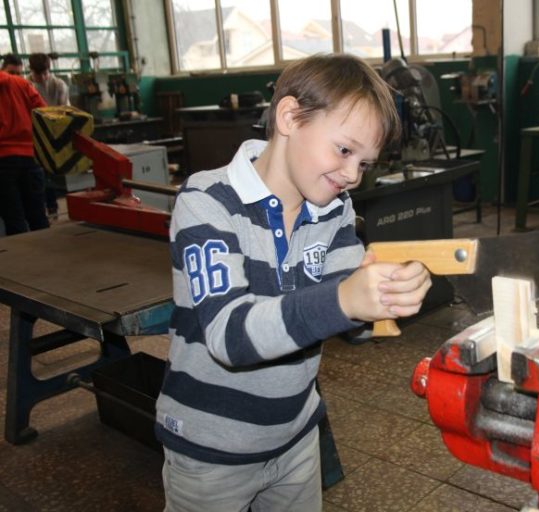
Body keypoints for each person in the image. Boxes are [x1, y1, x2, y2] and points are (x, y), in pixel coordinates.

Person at [155, 54, 432, 512]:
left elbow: (350, 319)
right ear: (289, 117)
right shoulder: (207, 202)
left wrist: (385, 296)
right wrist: (346, 300)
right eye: (344, 150)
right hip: (211, 452)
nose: (351, 175)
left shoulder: (334, 210)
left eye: (364, 163)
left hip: (296, 436)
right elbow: (229, 336)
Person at [0, 64, 49, 236]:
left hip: (2, 163)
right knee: (38, 216)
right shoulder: (21, 84)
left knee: (14, 220)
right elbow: (44, 113)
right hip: (30, 157)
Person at [27, 53, 69, 221]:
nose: (43, 78)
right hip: (33, 136)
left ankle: (52, 208)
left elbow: (64, 110)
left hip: (55, 133)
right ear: (31, 70)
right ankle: (46, 207)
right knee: (40, 174)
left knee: (52, 174)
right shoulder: (26, 85)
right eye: (39, 74)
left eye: (45, 73)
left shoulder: (59, 85)